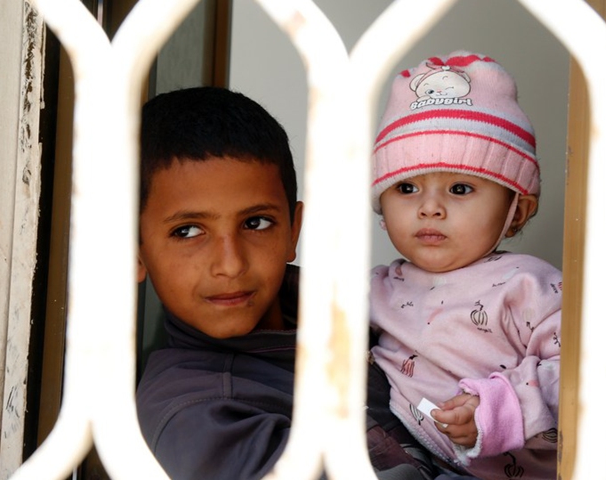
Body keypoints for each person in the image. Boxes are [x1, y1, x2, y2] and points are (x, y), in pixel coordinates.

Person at [134, 87, 436, 480]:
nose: (230, 264)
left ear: (293, 229)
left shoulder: (377, 314)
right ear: (134, 251)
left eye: (255, 223)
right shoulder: (194, 416)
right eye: (188, 231)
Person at [368, 51, 562, 480]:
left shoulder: (530, 286)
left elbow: (587, 372)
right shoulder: (376, 290)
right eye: (406, 187)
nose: (430, 208)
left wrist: (501, 405)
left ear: (517, 209)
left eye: (459, 188)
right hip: (414, 459)